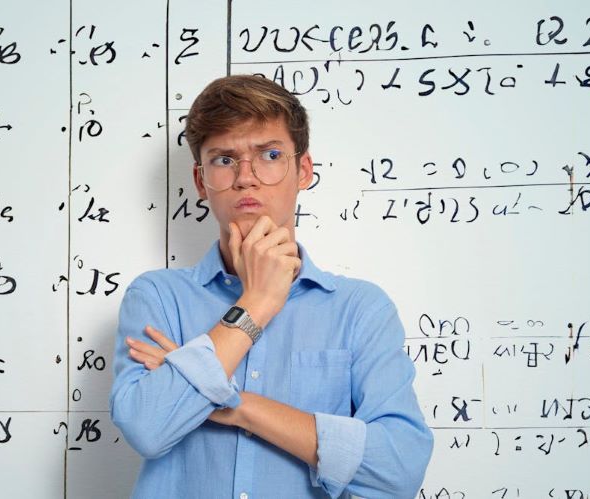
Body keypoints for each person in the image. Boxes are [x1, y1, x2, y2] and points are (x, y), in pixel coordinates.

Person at [109, 74, 433, 498]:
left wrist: (231, 404)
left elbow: (399, 468)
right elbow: (147, 428)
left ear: (302, 170)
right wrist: (256, 303)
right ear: (201, 181)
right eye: (224, 160)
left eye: (270, 154)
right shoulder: (157, 297)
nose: (246, 177)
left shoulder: (360, 309)